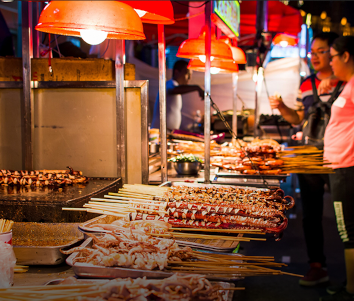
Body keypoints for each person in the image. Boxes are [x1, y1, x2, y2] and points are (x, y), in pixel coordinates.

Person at [268, 32, 343, 286]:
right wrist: (281, 107)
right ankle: (316, 265)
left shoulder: (346, 81)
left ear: (334, 53)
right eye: (312, 52)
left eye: (321, 51)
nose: (315, 57)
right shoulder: (305, 83)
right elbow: (299, 118)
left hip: (339, 156)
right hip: (309, 155)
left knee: (345, 213)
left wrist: (334, 78)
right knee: (310, 214)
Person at [319, 36, 354, 301]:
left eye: (331, 56)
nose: (330, 62)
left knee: (348, 231)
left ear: (345, 56)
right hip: (340, 165)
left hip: (347, 167)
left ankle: (351, 290)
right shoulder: (348, 84)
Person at [151, 60, 204, 130]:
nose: (189, 78)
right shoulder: (170, 84)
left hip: (169, 132)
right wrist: (197, 87)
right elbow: (173, 90)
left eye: (190, 75)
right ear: (176, 72)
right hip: (160, 133)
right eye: (187, 73)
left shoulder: (175, 86)